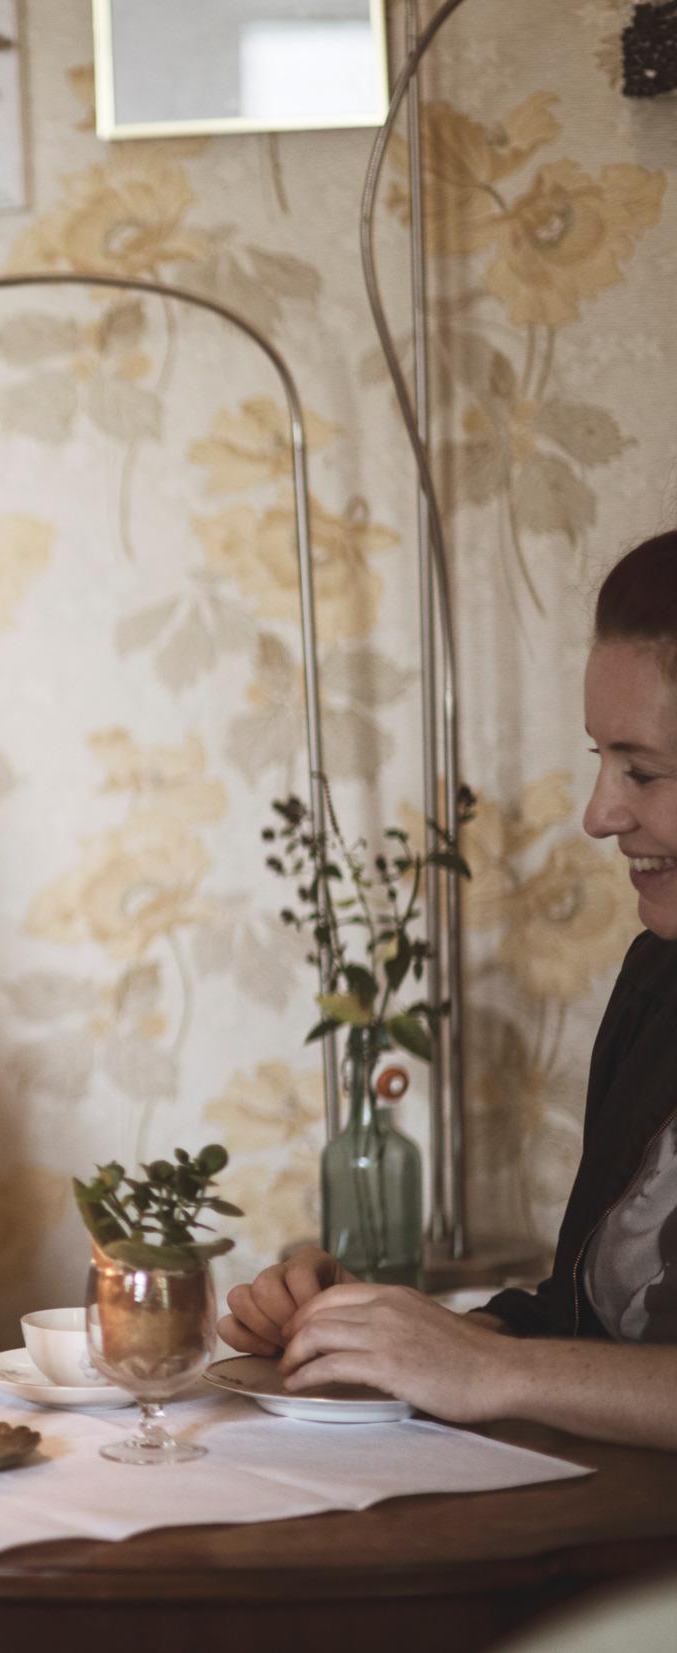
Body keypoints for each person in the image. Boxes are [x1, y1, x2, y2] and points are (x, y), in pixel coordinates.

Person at [219, 529, 677, 1450]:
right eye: (599, 760)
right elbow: (588, 1323)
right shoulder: (657, 981)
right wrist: (372, 1326)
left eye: (643, 770)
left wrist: (489, 1370)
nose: (599, 813)